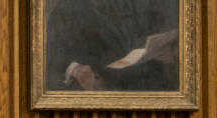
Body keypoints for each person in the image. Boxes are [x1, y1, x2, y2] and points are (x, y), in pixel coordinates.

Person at [46, 0, 179, 91]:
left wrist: (165, 49)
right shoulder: (67, 8)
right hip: (103, 87)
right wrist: (74, 69)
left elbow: (158, 33)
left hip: (148, 83)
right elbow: (52, 55)